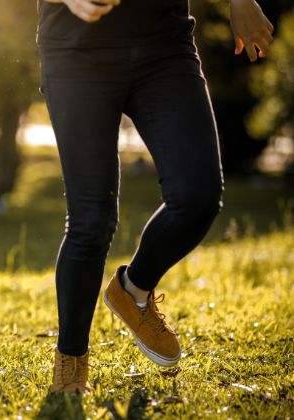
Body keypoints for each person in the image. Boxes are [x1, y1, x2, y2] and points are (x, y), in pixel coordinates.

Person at [37, 0, 274, 393]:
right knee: (91, 221)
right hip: (75, 52)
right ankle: (71, 360)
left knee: (198, 195)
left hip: (163, 46)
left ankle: (133, 289)